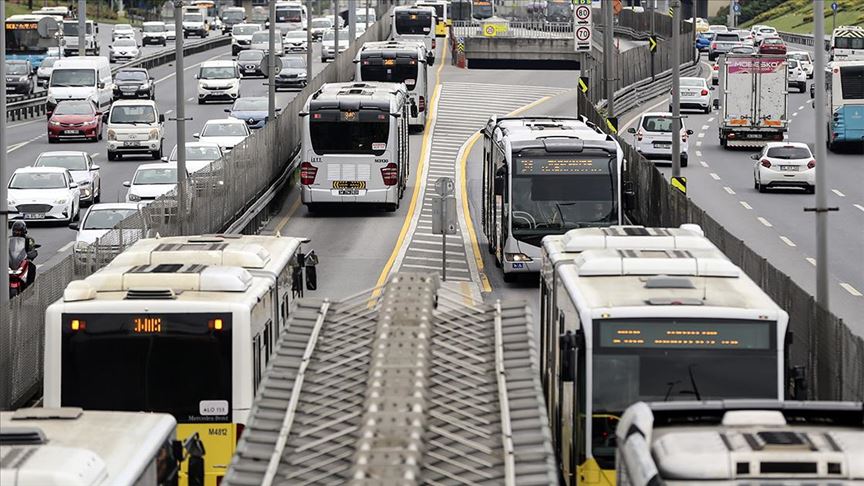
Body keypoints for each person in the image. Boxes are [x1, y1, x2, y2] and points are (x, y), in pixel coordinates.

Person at [10, 221, 38, 286]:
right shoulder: (8, 240)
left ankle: (30, 287)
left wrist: (31, 254)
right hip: (11, 261)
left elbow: (32, 249)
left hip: (23, 261)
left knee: (32, 267)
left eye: (19, 231)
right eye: (15, 231)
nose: (17, 232)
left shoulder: (29, 240)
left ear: (23, 231)